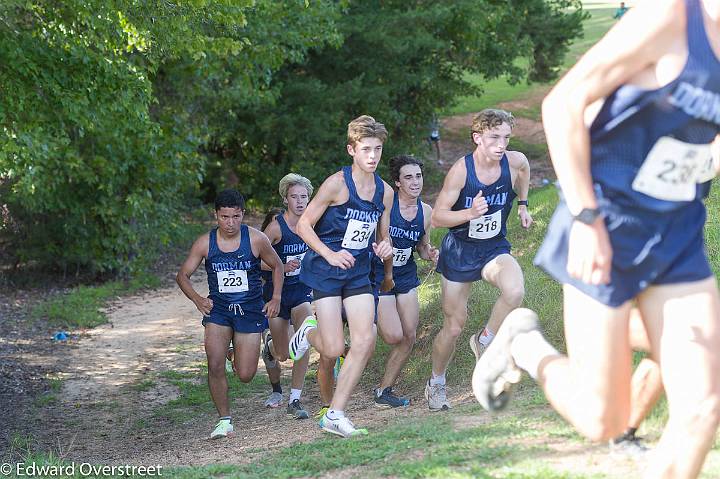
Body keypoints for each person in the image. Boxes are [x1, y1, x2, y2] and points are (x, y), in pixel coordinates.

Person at [472, 1, 720, 477]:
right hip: (607, 226)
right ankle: (524, 344)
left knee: (703, 405)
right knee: (601, 418)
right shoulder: (671, 17)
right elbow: (563, 104)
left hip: (678, 234)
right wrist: (586, 218)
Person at [288, 114, 394, 438]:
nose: (372, 156)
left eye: (377, 149)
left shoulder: (385, 192)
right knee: (332, 349)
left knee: (365, 339)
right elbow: (304, 225)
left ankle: (335, 413)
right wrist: (330, 253)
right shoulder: (337, 183)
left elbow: (382, 235)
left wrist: (384, 248)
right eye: (365, 149)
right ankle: (308, 332)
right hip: (327, 269)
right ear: (352, 150)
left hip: (360, 271)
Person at [425, 108, 532, 411]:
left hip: (493, 248)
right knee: (454, 326)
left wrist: (522, 205)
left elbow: (524, 170)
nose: (501, 145)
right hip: (460, 251)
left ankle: (485, 340)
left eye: (506, 138)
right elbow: (438, 217)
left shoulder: (514, 161)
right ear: (477, 138)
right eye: (494, 138)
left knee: (514, 291)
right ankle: (437, 382)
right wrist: (469, 213)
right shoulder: (462, 171)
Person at [176, 189, 283, 439]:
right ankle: (224, 420)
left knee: (245, 375)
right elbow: (183, 275)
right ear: (216, 216)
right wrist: (198, 299)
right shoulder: (205, 242)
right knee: (214, 364)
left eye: (236, 216)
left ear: (243, 214)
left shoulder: (256, 239)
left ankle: (236, 351)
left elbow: (277, 265)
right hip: (219, 312)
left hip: (249, 310)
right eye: (225, 217)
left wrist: (276, 297)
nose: (231, 223)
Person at [371, 155, 439, 408]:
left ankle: (383, 391)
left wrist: (430, 253)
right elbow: (376, 238)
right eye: (408, 177)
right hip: (380, 276)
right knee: (393, 336)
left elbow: (422, 246)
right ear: (397, 182)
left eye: (418, 176)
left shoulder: (426, 212)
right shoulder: (388, 207)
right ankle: (354, 323)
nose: (415, 182)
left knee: (409, 336)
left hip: (406, 276)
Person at [258, 174, 316, 419]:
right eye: (295, 197)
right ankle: (270, 349)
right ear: (285, 199)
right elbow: (255, 260)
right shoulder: (275, 227)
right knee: (284, 354)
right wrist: (280, 264)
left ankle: (295, 398)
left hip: (302, 291)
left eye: (304, 197)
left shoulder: (313, 223)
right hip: (276, 294)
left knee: (304, 338)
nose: (300, 202)